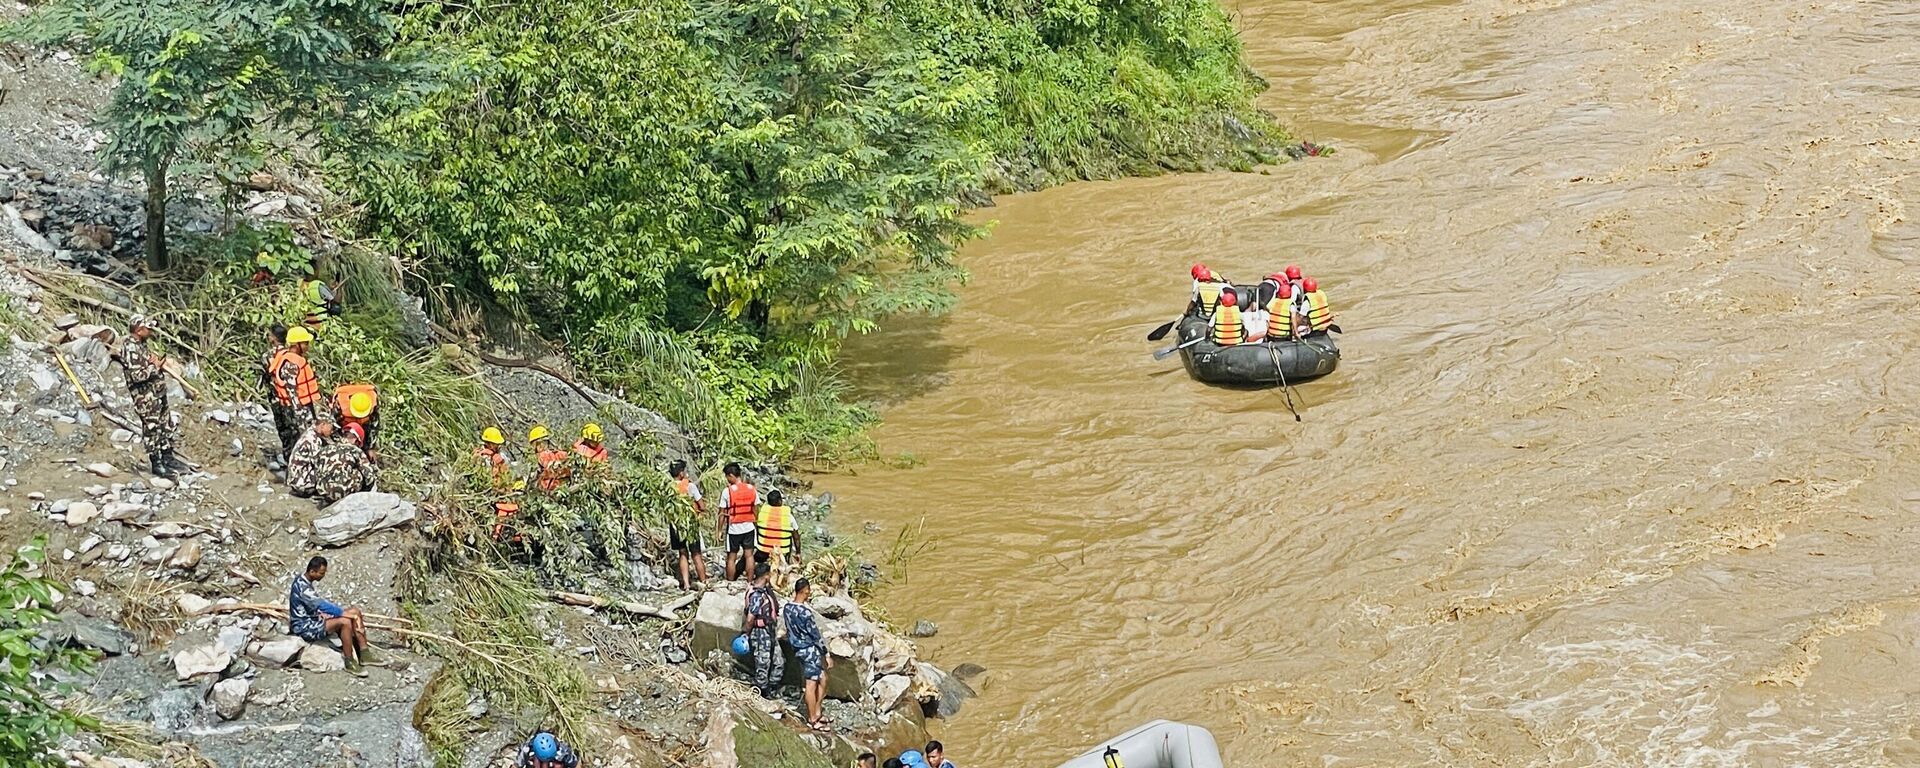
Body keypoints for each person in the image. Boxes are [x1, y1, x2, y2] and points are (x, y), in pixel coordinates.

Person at [288, 555, 384, 677]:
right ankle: (349, 661)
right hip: (305, 627)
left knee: (355, 612)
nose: (323, 575)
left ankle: (365, 654)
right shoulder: (302, 587)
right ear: (312, 571)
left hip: (314, 619)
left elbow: (312, 606)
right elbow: (321, 604)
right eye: (321, 573)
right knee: (345, 621)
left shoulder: (305, 581)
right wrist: (341, 613)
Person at [113, 316, 183, 478]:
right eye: (148, 328)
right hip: (145, 397)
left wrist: (154, 363)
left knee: (165, 424)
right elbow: (136, 376)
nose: (150, 331)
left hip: (157, 393)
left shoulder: (142, 345)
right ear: (139, 330)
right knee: (152, 428)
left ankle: (167, 457)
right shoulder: (130, 348)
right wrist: (154, 367)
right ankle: (156, 463)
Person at [287, 414, 376, 505]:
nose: (332, 431)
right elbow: (369, 475)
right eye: (331, 427)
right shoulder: (313, 439)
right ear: (323, 425)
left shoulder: (326, 445)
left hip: (311, 486)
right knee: (358, 473)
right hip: (301, 483)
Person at [784, 577, 832, 730]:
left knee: (823, 678)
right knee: (811, 685)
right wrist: (826, 654)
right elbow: (815, 635)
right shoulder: (805, 613)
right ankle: (813, 719)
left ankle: (817, 710)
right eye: (808, 591)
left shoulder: (787, 608)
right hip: (809, 650)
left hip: (798, 650)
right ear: (805, 591)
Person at [269, 326, 321, 459]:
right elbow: (292, 394)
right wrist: (301, 421)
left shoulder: (294, 359)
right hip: (297, 411)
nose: (307, 346)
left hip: (302, 408)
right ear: (296, 345)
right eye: (305, 343)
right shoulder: (291, 363)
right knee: (301, 442)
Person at [478, 428, 526, 544]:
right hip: (490, 492)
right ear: (488, 443)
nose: (498, 446)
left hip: (503, 489)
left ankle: (514, 534)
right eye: (495, 444)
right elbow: (485, 480)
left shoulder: (501, 456)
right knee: (505, 509)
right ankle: (496, 536)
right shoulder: (482, 458)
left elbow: (510, 470)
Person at [668, 460, 710, 590]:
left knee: (682, 553)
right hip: (690, 523)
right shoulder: (690, 486)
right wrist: (700, 513)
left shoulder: (667, 487)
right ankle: (704, 581)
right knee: (696, 554)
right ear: (681, 473)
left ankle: (686, 584)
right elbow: (702, 506)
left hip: (675, 524)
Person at [742, 563, 782, 698]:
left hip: (770, 631)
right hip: (760, 632)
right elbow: (750, 618)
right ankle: (761, 691)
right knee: (763, 662)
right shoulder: (757, 595)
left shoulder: (765, 590)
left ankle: (772, 687)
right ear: (766, 576)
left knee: (779, 661)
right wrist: (745, 634)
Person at [720, 462, 760, 581]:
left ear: (731, 475)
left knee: (731, 557)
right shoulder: (751, 488)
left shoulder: (727, 491)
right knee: (749, 555)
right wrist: (756, 523)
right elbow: (755, 509)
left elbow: (722, 513)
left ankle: (730, 582)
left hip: (734, 529)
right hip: (749, 527)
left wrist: (719, 530)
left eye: (727, 476)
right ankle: (749, 581)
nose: (727, 479)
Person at [259, 323, 289, 467]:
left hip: (277, 398)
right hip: (293, 398)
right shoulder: (292, 354)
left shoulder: (267, 356)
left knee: (283, 430)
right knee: (294, 429)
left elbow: (266, 375)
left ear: (274, 338)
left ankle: (288, 458)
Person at [755, 489, 802, 576]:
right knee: (791, 534)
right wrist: (798, 553)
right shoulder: (788, 516)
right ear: (780, 501)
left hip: (764, 551)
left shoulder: (762, 514)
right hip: (782, 552)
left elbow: (757, 530)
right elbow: (796, 537)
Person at [332, 383, 379, 460]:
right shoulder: (340, 403)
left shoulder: (373, 401)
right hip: (345, 426)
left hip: (363, 426)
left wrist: (371, 447)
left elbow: (374, 426)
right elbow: (333, 425)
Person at [529, 425, 571, 491]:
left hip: (553, 489)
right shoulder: (560, 454)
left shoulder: (543, 456)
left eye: (543, 443)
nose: (542, 446)